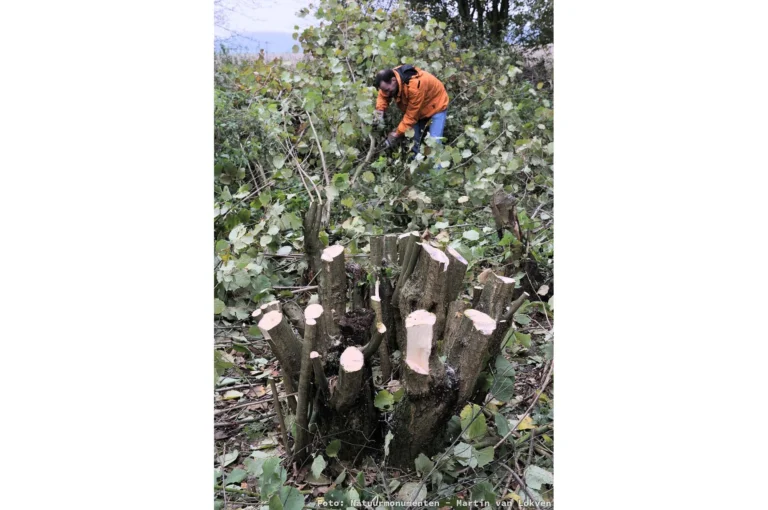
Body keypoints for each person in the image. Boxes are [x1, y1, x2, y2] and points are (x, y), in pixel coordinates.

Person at [373, 65, 449, 157]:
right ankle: (416, 167)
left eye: (388, 90)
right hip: (419, 107)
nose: (387, 93)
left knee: (434, 143)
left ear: (393, 80)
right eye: (384, 90)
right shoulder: (389, 79)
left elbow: (411, 116)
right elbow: (382, 96)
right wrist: (379, 113)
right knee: (413, 142)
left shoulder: (415, 86)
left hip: (437, 105)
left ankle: (436, 170)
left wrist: (396, 134)